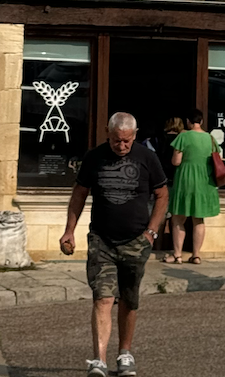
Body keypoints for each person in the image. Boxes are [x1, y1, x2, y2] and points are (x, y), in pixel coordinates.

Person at [60, 111, 168, 377]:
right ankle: (99, 360)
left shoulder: (147, 158)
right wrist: (69, 231)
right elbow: (79, 195)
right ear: (108, 134)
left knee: (129, 299)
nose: (121, 146)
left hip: (135, 240)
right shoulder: (94, 157)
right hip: (102, 240)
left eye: (127, 141)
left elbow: (162, 194)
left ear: (135, 135)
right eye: (116, 141)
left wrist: (151, 232)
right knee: (103, 297)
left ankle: (125, 353)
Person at [164, 109, 220, 264]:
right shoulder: (210, 138)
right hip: (204, 183)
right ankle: (196, 255)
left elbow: (176, 161)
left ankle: (177, 255)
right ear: (201, 121)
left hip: (185, 181)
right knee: (199, 219)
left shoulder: (183, 136)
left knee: (178, 218)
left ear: (188, 121)